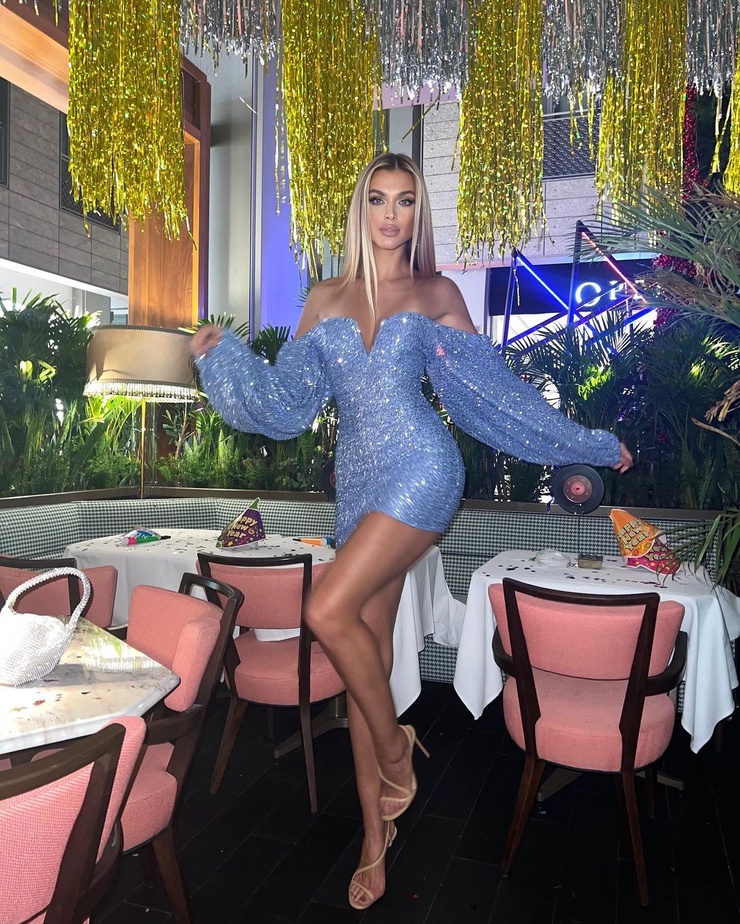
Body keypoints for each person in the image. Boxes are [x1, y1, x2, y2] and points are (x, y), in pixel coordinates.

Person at [190, 151, 633, 910]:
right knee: (367, 655)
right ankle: (375, 837)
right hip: (357, 487)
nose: (391, 214)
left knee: (325, 609)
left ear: (417, 214)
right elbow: (288, 402)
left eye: (404, 201)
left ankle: (397, 747)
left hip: (423, 470)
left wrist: (588, 444)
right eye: (378, 199)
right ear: (360, 210)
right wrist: (222, 355)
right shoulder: (324, 299)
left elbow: (497, 396)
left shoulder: (436, 294)